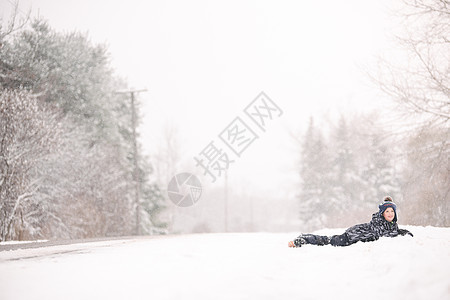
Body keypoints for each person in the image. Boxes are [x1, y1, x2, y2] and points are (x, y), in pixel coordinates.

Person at [288, 196, 413, 247]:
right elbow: (383, 234)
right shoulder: (378, 222)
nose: (390, 214)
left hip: (355, 235)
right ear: (382, 213)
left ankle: (306, 237)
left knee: (329, 239)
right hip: (352, 236)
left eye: (392, 211)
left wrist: (403, 231)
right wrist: (399, 233)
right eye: (387, 211)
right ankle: (305, 238)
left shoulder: (391, 225)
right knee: (328, 241)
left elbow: (393, 230)